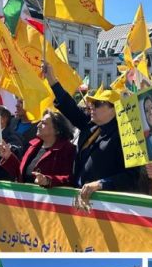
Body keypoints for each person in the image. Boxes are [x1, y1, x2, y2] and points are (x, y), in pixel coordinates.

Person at [43, 62, 140, 197]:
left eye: (98, 103)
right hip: (81, 198)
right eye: (92, 103)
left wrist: (101, 184)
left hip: (106, 203)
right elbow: (69, 107)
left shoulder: (127, 135)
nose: (91, 107)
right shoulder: (91, 126)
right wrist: (52, 80)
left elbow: (132, 176)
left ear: (114, 108)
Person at [0, 110, 76, 187]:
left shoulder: (67, 149)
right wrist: (8, 156)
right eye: (40, 122)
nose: (38, 125)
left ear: (57, 130)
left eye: (44, 123)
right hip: (26, 198)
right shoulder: (33, 146)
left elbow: (70, 179)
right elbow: (20, 173)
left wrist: (48, 180)